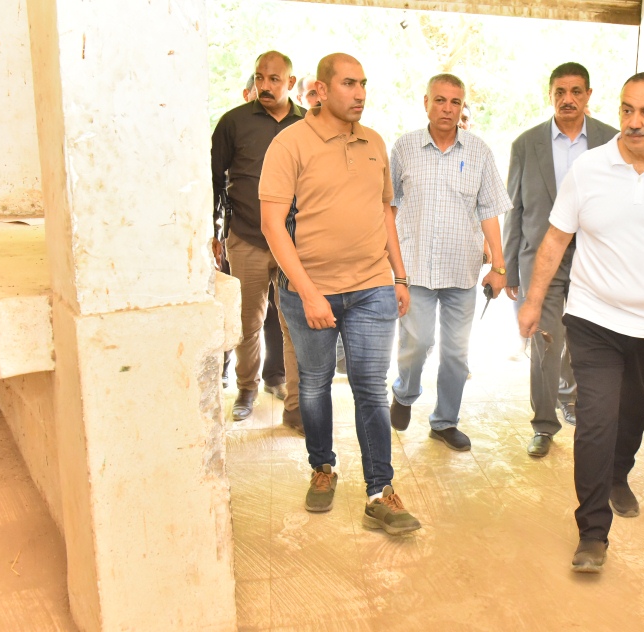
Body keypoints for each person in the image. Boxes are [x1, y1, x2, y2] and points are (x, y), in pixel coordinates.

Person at [518, 72, 644, 573]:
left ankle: (618, 474)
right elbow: (555, 240)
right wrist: (532, 301)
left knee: (634, 408)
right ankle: (592, 532)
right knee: (596, 419)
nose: (634, 122)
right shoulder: (588, 168)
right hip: (593, 317)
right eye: (627, 110)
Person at [259, 53, 421, 535]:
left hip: (372, 286)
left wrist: (399, 275)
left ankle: (380, 492)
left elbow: (384, 211)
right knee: (314, 383)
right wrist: (308, 293)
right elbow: (272, 224)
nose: (360, 93)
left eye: (364, 84)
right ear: (322, 90)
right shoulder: (290, 143)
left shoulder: (374, 142)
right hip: (310, 291)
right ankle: (323, 467)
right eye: (349, 84)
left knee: (371, 387)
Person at [387, 74, 511, 451]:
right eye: (439, 100)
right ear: (426, 102)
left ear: (462, 107)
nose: (447, 108)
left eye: (455, 102)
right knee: (418, 342)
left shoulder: (479, 151)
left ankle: (444, 421)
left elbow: (489, 210)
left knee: (457, 354)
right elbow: (389, 207)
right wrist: (390, 265)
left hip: (461, 270)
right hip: (416, 268)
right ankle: (404, 393)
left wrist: (499, 266)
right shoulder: (404, 148)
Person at [503, 62, 618, 456]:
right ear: (550, 95)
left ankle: (571, 397)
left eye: (576, 91)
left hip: (593, 259)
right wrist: (510, 267)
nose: (568, 99)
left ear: (588, 95)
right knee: (544, 340)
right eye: (560, 92)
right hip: (542, 260)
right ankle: (543, 424)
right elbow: (515, 209)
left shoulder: (611, 140)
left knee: (585, 338)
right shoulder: (526, 144)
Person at [211, 52, 306, 431]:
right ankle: (246, 389)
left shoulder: (308, 125)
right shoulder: (233, 122)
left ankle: (296, 404)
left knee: (294, 324)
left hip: (294, 243)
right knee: (247, 323)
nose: (265, 86)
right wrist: (214, 232)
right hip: (247, 237)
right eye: (260, 78)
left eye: (274, 79)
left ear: (291, 83)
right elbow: (214, 180)